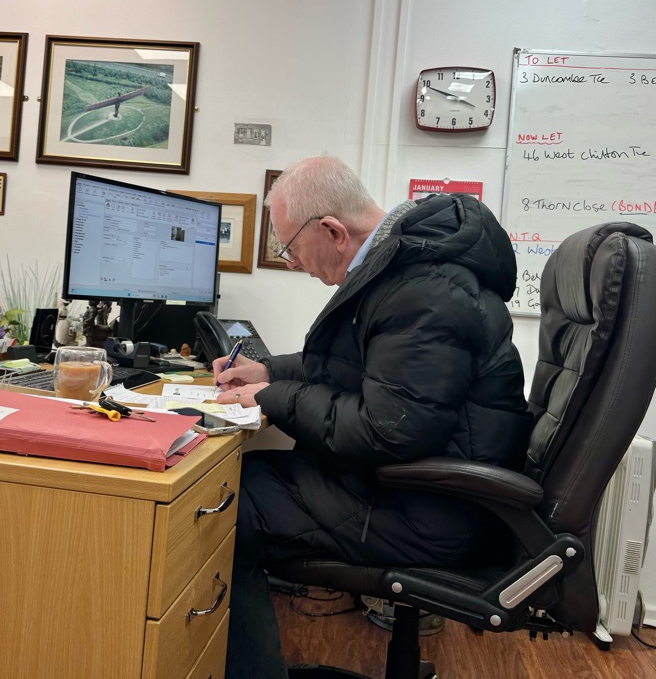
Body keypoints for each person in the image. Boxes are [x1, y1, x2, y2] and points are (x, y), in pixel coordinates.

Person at [214, 155, 531, 679]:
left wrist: (271, 398)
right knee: (234, 483)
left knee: (220, 508)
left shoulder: (424, 291)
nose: (291, 263)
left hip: (429, 514)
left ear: (333, 231)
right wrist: (267, 371)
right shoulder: (407, 272)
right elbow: (356, 368)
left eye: (290, 247)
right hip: (418, 494)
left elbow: (386, 428)